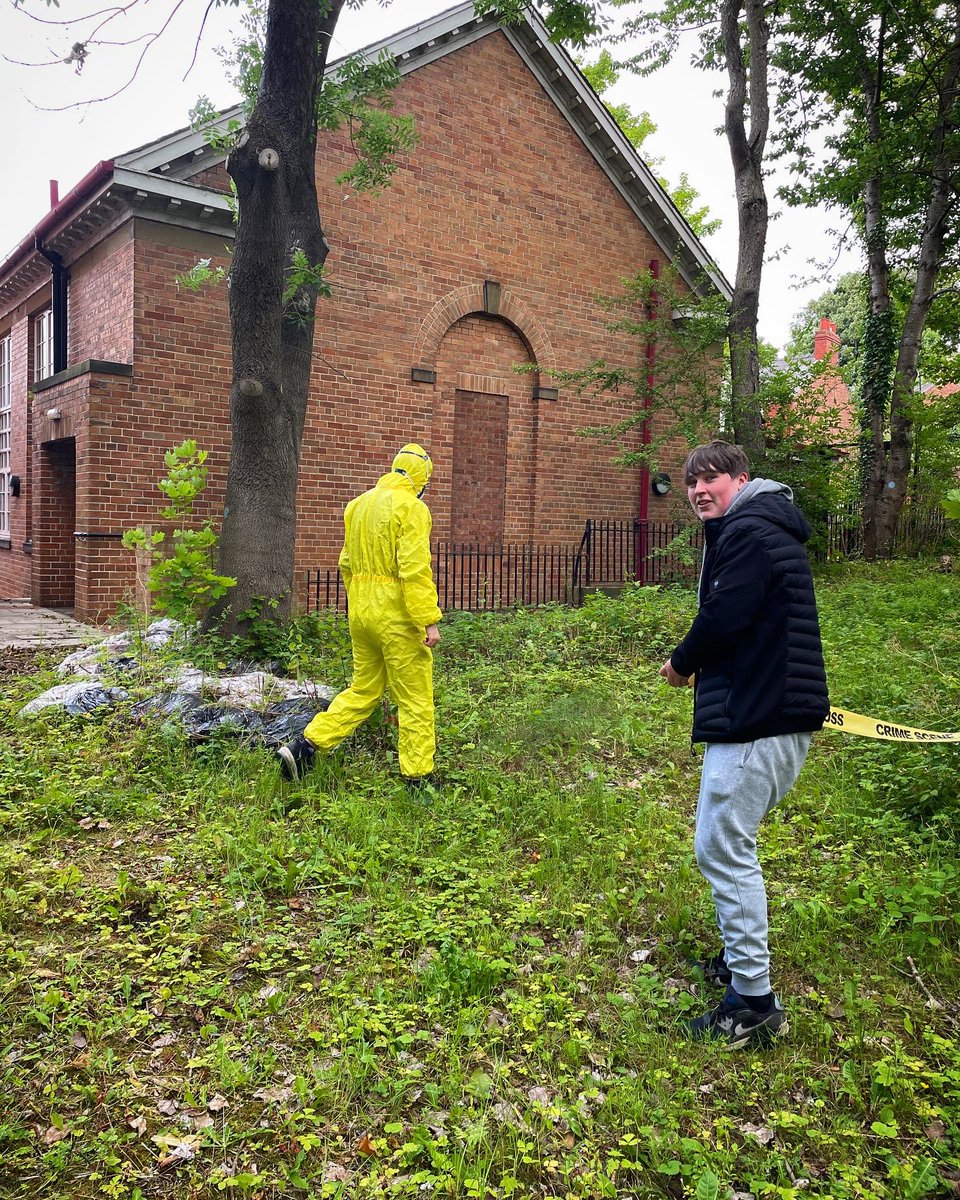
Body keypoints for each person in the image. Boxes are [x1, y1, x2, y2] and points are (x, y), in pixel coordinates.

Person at [659, 440, 828, 1048]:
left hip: (760, 718)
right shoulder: (759, 529)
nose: (700, 490)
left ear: (741, 479)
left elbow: (725, 616)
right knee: (726, 843)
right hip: (767, 712)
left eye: (712, 479)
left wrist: (681, 663)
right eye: (691, 483)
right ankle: (738, 962)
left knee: (722, 846)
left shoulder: (748, 532)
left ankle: (753, 1002)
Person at [278, 443, 442, 787]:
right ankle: (418, 779)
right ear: (420, 478)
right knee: (414, 698)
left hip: (362, 611)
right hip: (396, 616)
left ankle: (306, 747)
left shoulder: (358, 506)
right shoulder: (412, 508)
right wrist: (428, 618)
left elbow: (346, 564)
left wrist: (361, 603)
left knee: (363, 689)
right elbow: (414, 570)